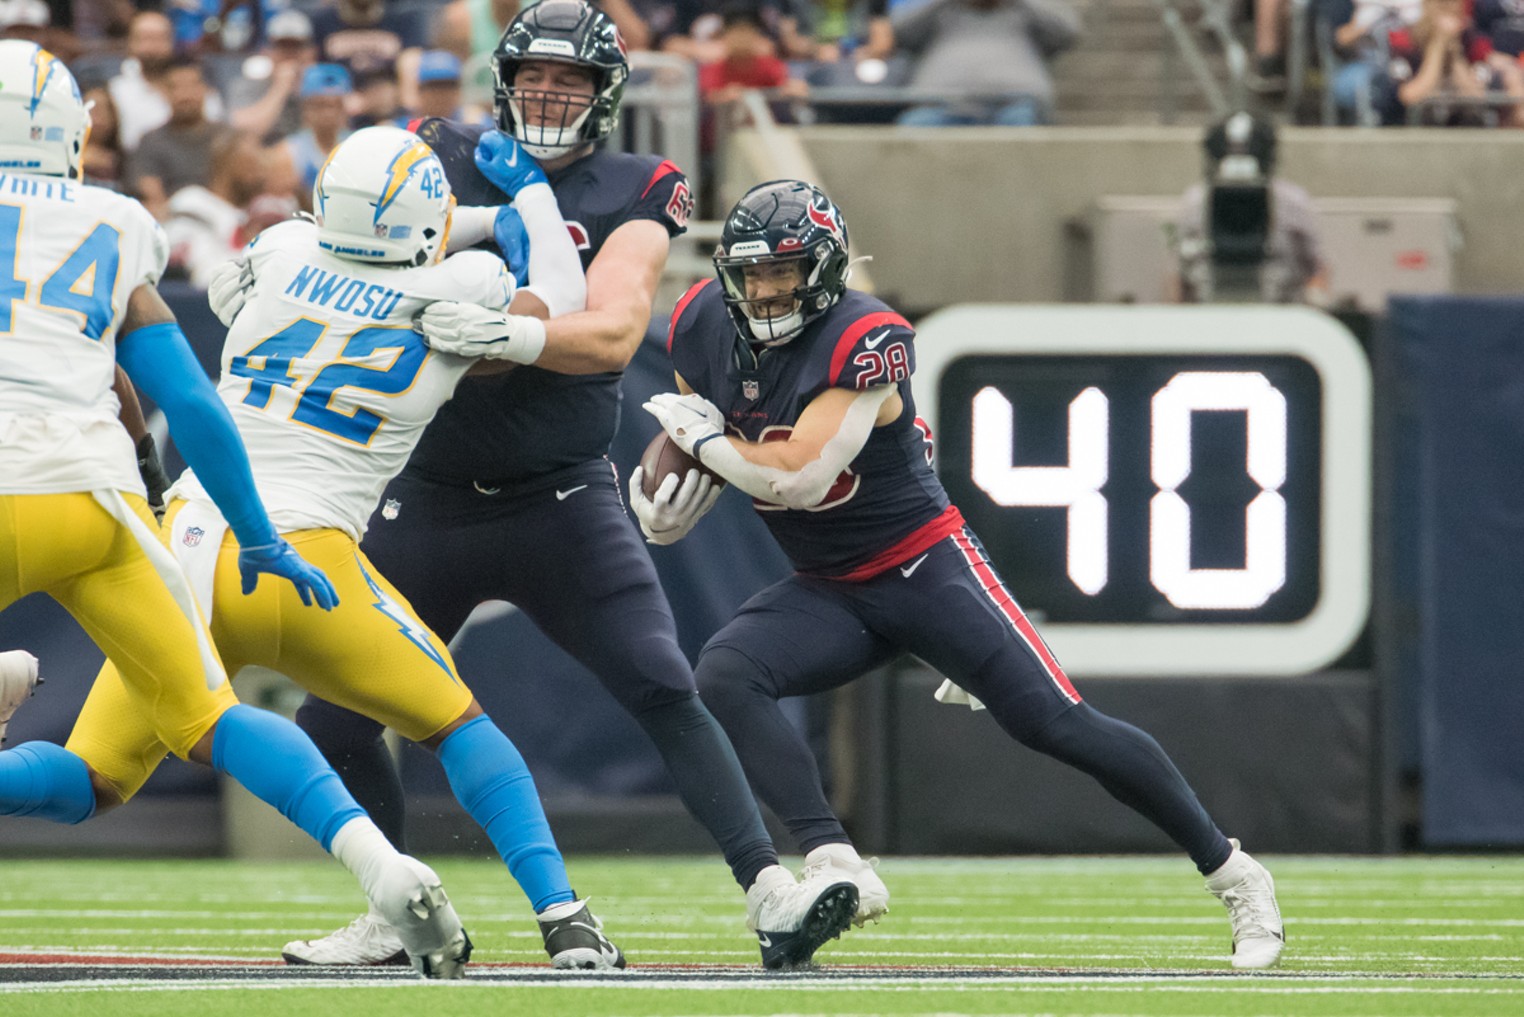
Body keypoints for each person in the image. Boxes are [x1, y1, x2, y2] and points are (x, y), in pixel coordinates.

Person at [288, 0, 859, 972]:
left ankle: (769, 891)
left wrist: (509, 333)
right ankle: (394, 912)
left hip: (559, 493)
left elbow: (613, 332)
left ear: (606, 94)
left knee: (661, 682)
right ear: (504, 83)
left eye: (573, 81)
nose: (551, 95)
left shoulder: (636, 185)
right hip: (427, 491)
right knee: (331, 715)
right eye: (536, 77)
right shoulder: (437, 155)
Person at [638, 178, 1287, 970]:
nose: (768, 291)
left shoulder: (866, 336)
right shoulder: (704, 321)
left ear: (829, 268)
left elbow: (795, 478)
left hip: (922, 565)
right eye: (754, 275)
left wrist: (703, 446)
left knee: (1057, 723)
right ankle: (833, 859)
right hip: (829, 583)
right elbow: (704, 438)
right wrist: (668, 505)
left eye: (786, 271)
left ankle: (1233, 871)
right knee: (726, 676)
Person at [70, 123, 626, 972]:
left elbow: (351, 243)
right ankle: (565, 916)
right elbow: (554, 287)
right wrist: (534, 202)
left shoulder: (284, 250)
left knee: (89, 781)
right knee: (458, 724)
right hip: (301, 561)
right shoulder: (464, 286)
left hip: (178, 555)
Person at [0, 40, 467, 979]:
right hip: (97, 503)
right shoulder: (113, 219)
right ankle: (383, 867)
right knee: (210, 711)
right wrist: (258, 536)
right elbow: (194, 404)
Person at [1171, 111, 1328, 305]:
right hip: (1209, 313)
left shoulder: (1293, 202)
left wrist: (1315, 304)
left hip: (1281, 315)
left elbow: (1317, 267)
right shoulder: (1194, 203)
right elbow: (1179, 275)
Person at [892, 0, 1079, 126]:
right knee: (914, 129)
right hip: (938, 104)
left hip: (1014, 104)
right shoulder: (941, 12)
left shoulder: (1025, 11)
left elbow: (1067, 33)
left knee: (1021, 130)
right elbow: (897, 33)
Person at [129, 56, 232, 220]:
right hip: (171, 222)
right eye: (176, 87)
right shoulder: (150, 141)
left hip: (222, 222)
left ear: (206, 89)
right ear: (164, 92)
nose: (185, 95)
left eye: (193, 86)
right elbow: (151, 195)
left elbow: (233, 193)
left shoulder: (228, 138)